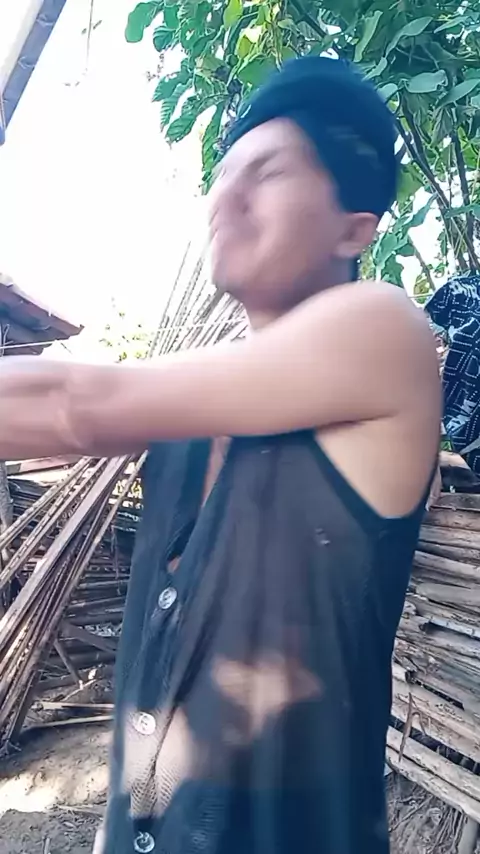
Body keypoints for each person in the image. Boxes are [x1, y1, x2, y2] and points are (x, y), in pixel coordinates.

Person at [0, 57, 440, 854]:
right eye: (223, 175)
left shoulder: (387, 333)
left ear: (355, 228)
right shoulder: (183, 420)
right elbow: (153, 675)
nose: (224, 200)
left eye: (266, 174)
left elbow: (72, 405)